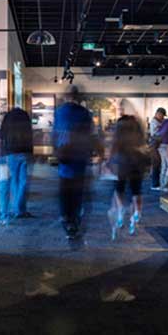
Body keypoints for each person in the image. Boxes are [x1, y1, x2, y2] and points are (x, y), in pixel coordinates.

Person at [53, 86, 94, 240]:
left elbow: (55, 135)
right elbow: (89, 137)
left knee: (65, 193)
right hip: (79, 160)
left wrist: (56, 151)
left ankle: (67, 219)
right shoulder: (84, 114)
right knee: (77, 194)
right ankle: (74, 222)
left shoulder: (60, 112)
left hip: (65, 160)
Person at [107, 115, 151, 240]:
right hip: (137, 162)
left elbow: (114, 147)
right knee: (136, 190)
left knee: (118, 188)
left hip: (121, 162)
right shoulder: (137, 130)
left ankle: (120, 210)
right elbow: (144, 146)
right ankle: (137, 212)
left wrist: (109, 162)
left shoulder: (119, 131)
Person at [0, 106, 33, 225]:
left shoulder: (7, 119)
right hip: (24, 154)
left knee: (5, 185)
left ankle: (4, 215)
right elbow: (31, 138)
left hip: (7, 156)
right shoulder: (25, 118)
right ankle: (19, 209)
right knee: (22, 183)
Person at [153, 112, 168, 192]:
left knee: (165, 165)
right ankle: (166, 185)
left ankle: (162, 185)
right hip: (165, 144)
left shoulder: (167, 121)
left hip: (159, 144)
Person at [148, 107, 166, 189]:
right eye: (162, 115)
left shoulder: (159, 121)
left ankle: (156, 182)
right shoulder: (154, 122)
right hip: (154, 145)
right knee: (156, 164)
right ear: (158, 114)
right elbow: (157, 134)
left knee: (157, 164)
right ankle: (154, 185)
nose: (163, 117)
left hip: (156, 145)